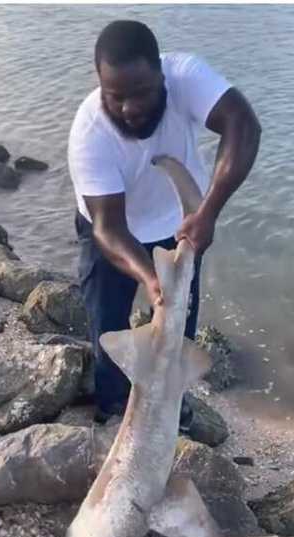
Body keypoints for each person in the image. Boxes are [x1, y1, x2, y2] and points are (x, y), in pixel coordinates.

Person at [67, 20, 261, 425]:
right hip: (111, 232)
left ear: (162, 75)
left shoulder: (186, 75)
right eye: (115, 96)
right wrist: (150, 278)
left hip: (181, 224)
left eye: (142, 93)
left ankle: (172, 401)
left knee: (178, 330)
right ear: (100, 83)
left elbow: (243, 125)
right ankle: (114, 404)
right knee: (107, 322)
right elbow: (108, 227)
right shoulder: (89, 133)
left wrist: (207, 213)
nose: (130, 108)